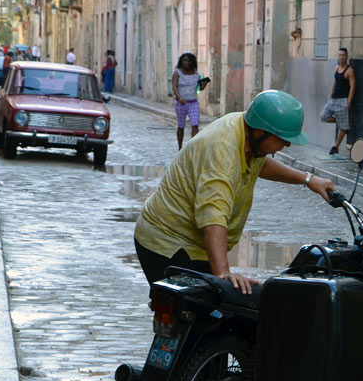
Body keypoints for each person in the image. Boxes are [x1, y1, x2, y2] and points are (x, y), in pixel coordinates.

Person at [134, 90, 336, 293]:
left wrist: (309, 179)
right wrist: (223, 274)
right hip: (167, 242)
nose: (287, 144)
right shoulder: (223, 150)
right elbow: (213, 215)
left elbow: (260, 164)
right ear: (260, 132)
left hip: (194, 244)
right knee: (200, 313)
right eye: (282, 138)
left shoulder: (246, 133)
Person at [320, 47, 356, 155]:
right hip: (333, 100)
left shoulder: (349, 71)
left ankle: (335, 146)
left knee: (343, 127)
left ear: (347, 57)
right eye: (339, 55)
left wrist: (348, 102)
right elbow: (335, 83)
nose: (341, 57)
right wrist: (330, 96)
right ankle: (340, 120)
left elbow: (353, 87)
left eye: (343, 55)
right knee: (323, 116)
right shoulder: (336, 68)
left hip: (343, 100)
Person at [170, 52, 208, 150]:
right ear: (181, 62)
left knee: (195, 125)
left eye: (188, 61)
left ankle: (193, 148)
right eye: (184, 61)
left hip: (193, 102)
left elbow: (199, 89)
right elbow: (174, 87)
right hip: (180, 103)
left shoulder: (196, 73)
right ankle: (180, 147)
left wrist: (203, 85)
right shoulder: (177, 73)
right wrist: (179, 98)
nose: (186, 63)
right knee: (181, 125)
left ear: (192, 62)